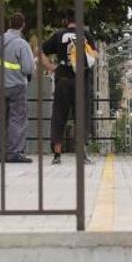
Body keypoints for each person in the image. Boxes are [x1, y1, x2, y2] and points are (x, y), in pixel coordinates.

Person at [40, 12, 96, 165]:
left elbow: (41, 51)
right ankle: (82, 154)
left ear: (67, 22)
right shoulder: (86, 35)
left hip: (63, 80)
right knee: (81, 117)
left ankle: (57, 155)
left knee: (59, 116)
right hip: (81, 80)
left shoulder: (59, 35)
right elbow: (93, 57)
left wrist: (52, 67)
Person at [0, 13, 34, 163]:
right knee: (17, 118)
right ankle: (13, 152)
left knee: (1, 118)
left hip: (0, 84)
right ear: (23, 25)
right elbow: (28, 68)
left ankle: (1, 152)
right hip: (17, 85)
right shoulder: (22, 44)